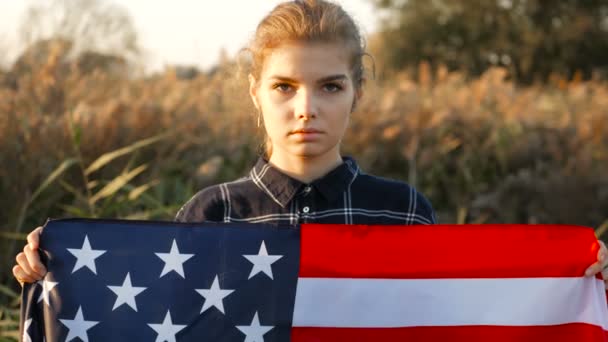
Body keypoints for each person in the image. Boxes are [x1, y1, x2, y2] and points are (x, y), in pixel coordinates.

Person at [11, 0, 608, 287]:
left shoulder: (403, 211)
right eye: (284, 86)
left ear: (357, 92)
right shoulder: (209, 215)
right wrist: (58, 281)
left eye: (330, 86)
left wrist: (574, 283)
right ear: (255, 92)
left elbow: (456, 319)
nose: (306, 108)